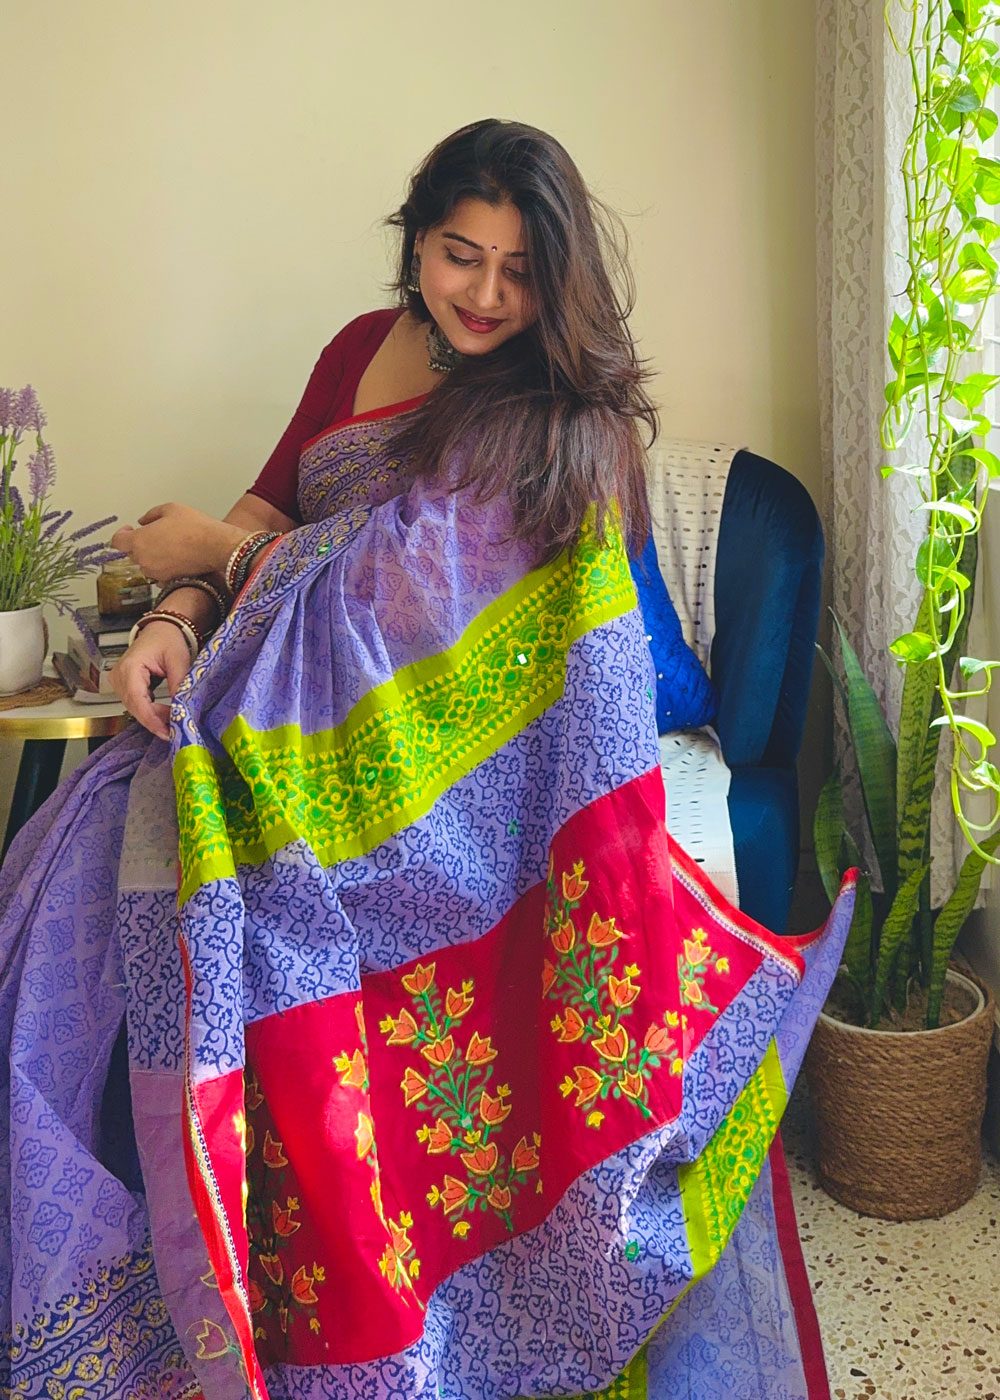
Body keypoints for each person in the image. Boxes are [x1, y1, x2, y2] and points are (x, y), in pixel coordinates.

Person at [0, 119, 853, 1400]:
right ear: (417, 240)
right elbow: (273, 507)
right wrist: (176, 613)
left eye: (520, 270)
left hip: (437, 800)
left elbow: (402, 612)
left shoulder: (560, 420)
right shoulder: (357, 347)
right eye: (462, 254)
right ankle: (130, 1295)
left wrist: (215, 561)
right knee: (70, 868)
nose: (487, 294)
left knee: (252, 934)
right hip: (266, 722)